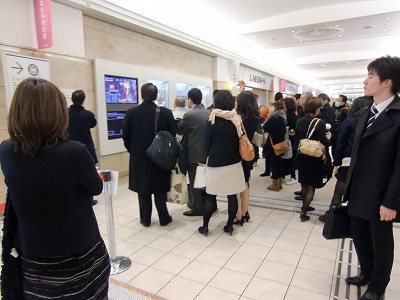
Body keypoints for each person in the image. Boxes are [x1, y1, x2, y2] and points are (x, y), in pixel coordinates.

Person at [0, 78, 110, 299]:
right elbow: (96, 187)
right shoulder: (73, 152)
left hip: (33, 253)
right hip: (78, 252)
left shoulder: (6, 150)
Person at [344, 56, 400, 300]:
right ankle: (366, 271)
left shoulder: (398, 116)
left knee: (381, 240)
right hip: (358, 189)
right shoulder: (367, 110)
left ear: (387, 82)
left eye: (371, 76)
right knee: (359, 234)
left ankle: (378, 285)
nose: (365, 80)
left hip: (381, 193)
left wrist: (391, 201)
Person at [123, 83, 175, 227]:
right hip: (160, 157)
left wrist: (133, 150)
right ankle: (164, 218)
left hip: (139, 157)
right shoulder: (165, 112)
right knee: (159, 188)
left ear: (141, 94)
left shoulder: (131, 112)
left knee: (143, 188)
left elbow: (126, 136)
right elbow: (172, 135)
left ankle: (145, 220)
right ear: (156, 95)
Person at [198, 90, 246, 236]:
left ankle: (205, 226)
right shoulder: (236, 120)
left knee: (210, 196)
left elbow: (205, 145)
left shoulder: (211, 121)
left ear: (216, 102)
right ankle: (229, 226)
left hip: (215, 164)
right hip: (234, 163)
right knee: (232, 196)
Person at [319, 96, 373, 222]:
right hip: (365, 163)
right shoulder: (372, 121)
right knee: (357, 192)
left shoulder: (350, 121)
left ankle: (331, 217)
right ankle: (352, 218)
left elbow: (341, 144)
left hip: (348, 161)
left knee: (339, 192)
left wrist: (336, 162)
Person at [295, 97, 331, 221]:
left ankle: (305, 206)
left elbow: (297, 138)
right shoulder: (319, 123)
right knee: (311, 186)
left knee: (304, 183)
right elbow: (324, 142)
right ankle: (304, 211)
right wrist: (329, 138)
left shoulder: (299, 121)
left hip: (302, 155)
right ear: (316, 109)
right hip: (314, 157)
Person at [177, 88, 210, 217]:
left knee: (195, 182)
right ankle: (207, 205)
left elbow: (179, 130)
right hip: (206, 153)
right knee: (204, 181)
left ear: (190, 99)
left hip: (193, 154)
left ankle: (197, 208)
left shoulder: (190, 115)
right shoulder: (208, 113)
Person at [68, 89, 99, 205]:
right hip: (85, 148)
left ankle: (74, 198)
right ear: (83, 100)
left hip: (69, 149)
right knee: (87, 174)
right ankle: (89, 199)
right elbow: (93, 124)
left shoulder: (65, 113)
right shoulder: (88, 115)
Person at [235, 91, 259, 224]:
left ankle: (238, 214)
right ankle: (245, 212)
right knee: (245, 182)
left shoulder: (239, 118)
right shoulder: (255, 117)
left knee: (237, 185)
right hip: (249, 153)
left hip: (239, 153)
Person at [263, 101, 287, 191]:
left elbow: (265, 127)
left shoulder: (274, 118)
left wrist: (268, 116)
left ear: (275, 107)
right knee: (278, 162)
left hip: (273, 144)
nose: (270, 107)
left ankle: (275, 185)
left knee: (274, 164)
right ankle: (279, 183)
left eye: (271, 106)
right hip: (280, 143)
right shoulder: (282, 116)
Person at [282, 97, 298, 185]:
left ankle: (292, 176)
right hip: (292, 138)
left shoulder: (288, 114)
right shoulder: (294, 113)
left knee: (290, 157)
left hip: (289, 138)